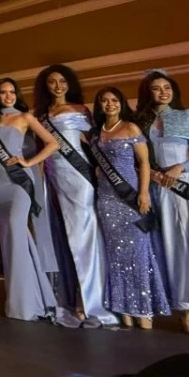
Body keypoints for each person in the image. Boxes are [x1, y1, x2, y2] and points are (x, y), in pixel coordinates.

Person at [136, 70, 189, 335]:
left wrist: (179, 169)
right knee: (168, 245)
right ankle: (178, 302)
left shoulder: (186, 117)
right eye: (156, 88)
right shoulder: (142, 121)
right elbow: (139, 157)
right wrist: (150, 173)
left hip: (183, 187)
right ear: (148, 92)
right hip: (157, 189)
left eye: (167, 87)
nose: (163, 92)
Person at [34, 64, 116, 327]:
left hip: (78, 177)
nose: (58, 86)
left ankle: (89, 301)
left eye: (62, 81)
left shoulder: (81, 110)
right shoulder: (42, 114)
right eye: (52, 82)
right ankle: (68, 298)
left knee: (82, 236)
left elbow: (94, 144)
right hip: (52, 177)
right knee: (60, 237)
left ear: (69, 84)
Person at [90, 87, 169, 328]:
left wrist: (144, 193)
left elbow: (144, 163)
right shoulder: (96, 134)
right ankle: (124, 310)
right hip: (106, 199)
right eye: (104, 101)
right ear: (100, 105)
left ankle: (144, 310)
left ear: (121, 103)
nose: (110, 104)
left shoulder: (131, 128)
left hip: (131, 197)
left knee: (139, 252)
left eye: (114, 100)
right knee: (115, 256)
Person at [0, 78, 59, 323]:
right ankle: (34, 296)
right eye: (3, 92)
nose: (8, 96)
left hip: (19, 182)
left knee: (16, 233)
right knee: (10, 238)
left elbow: (53, 143)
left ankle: (22, 305)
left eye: (12, 92)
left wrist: (29, 162)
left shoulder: (25, 117)